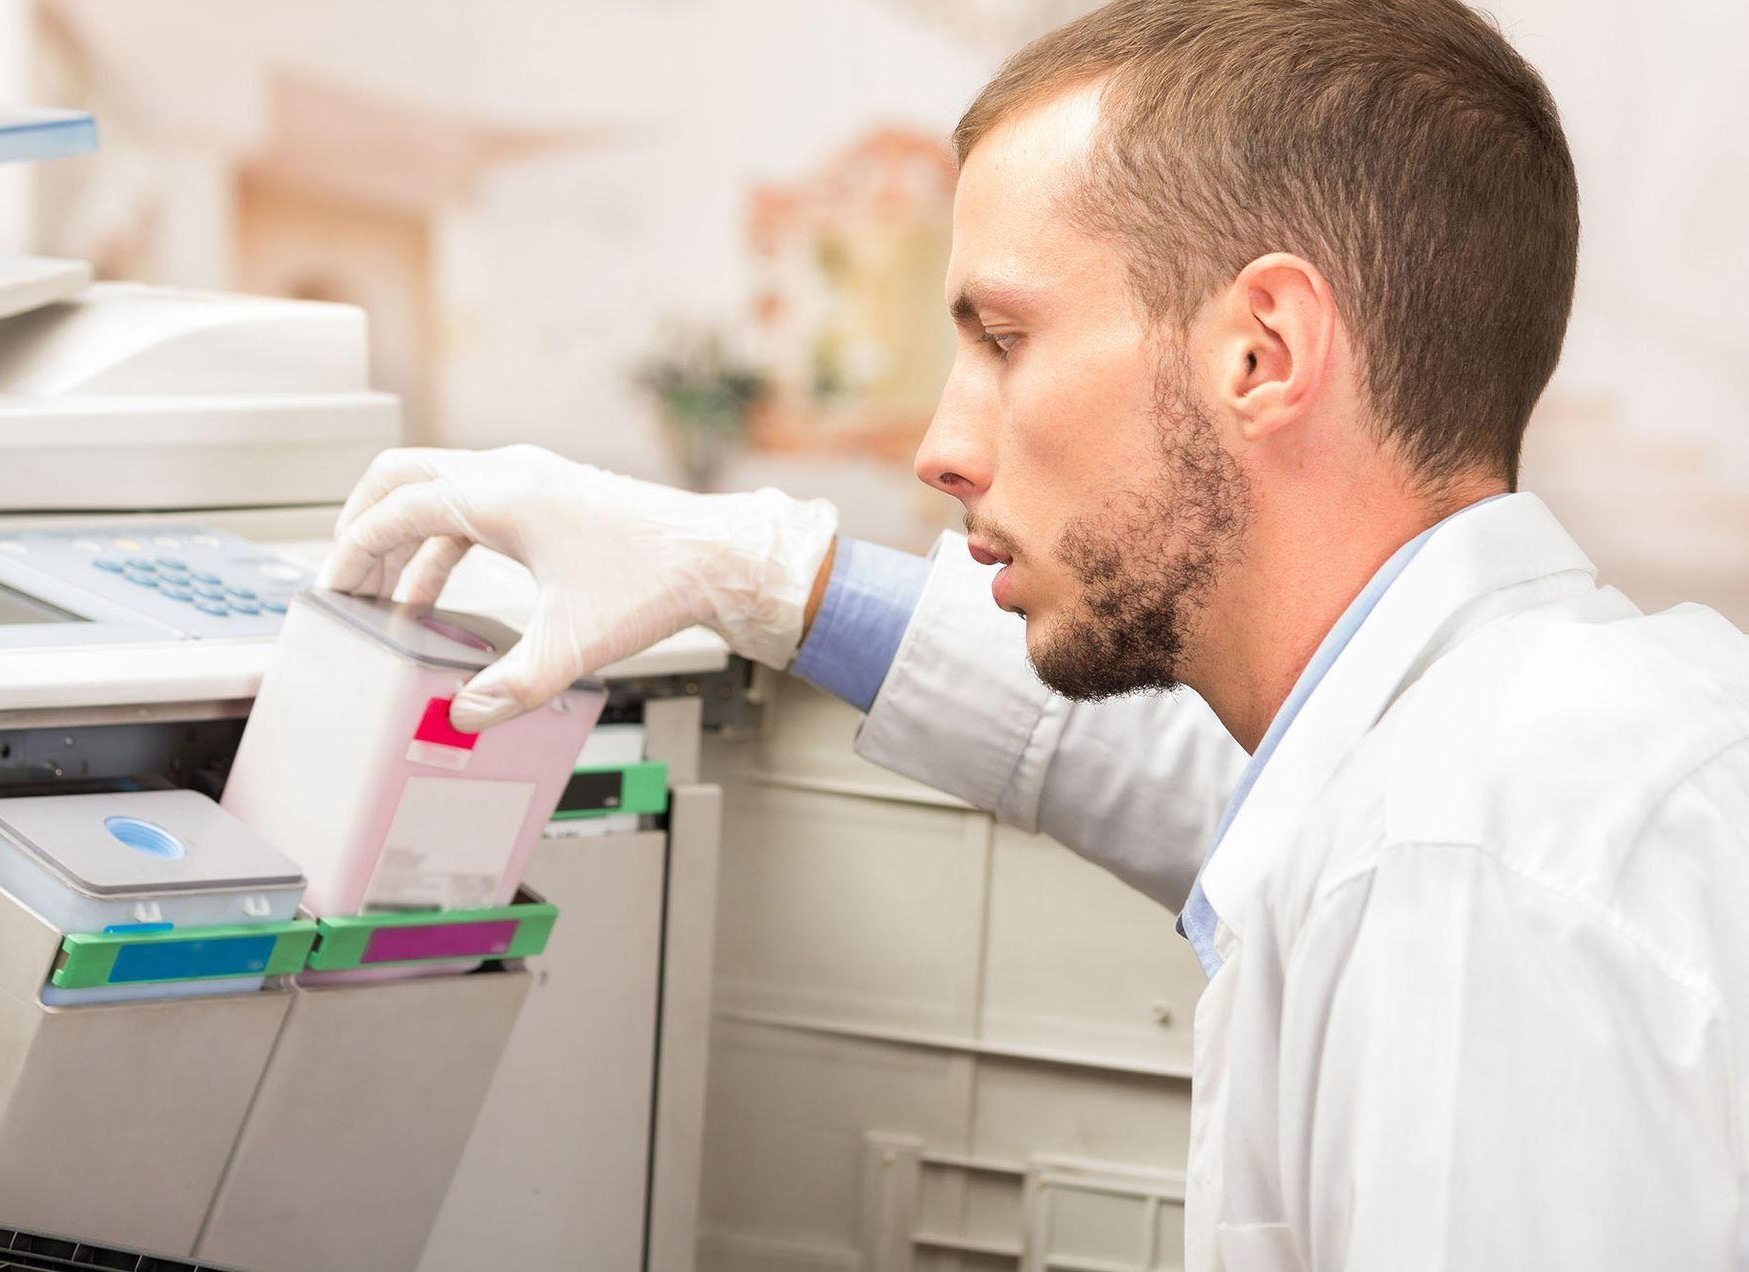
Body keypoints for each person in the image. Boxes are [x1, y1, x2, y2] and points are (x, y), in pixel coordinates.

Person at [318, 1, 1749, 1267]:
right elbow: (1213, 793)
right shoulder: (1515, 749)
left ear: (1262, 352)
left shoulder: (1474, 884)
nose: (943, 445)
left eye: (1003, 338)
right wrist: (762, 572)